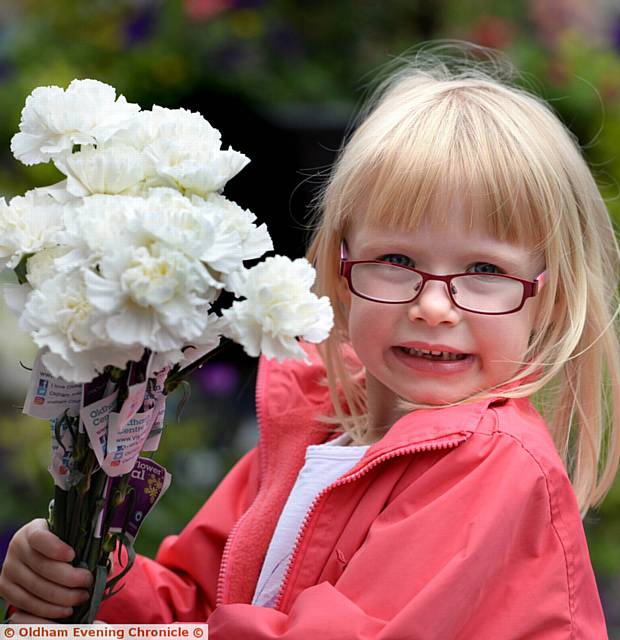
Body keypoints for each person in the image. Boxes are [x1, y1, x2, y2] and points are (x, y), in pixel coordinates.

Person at [1, 44, 619, 638]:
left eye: (484, 271)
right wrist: (91, 582)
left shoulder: (493, 466)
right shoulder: (311, 427)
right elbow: (199, 605)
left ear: (551, 296)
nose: (433, 306)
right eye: (396, 259)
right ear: (340, 273)